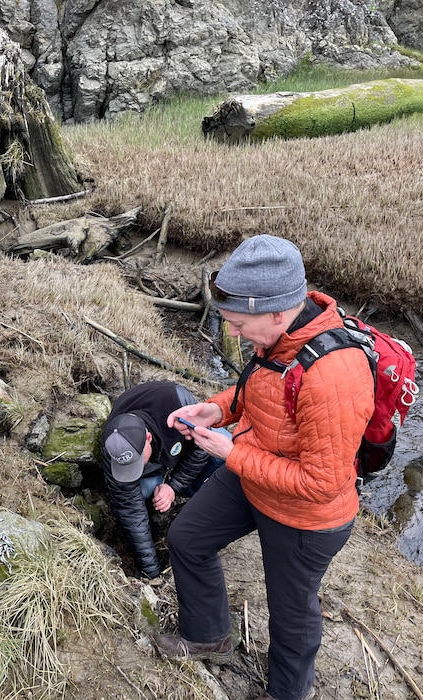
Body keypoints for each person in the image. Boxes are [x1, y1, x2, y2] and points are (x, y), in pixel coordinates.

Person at [160, 235, 375, 700]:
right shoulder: (279, 338)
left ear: (278, 311)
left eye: (238, 323)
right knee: (188, 538)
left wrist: (229, 454)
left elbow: (321, 484)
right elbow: (263, 396)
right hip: (257, 476)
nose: (233, 334)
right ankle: (208, 636)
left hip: (307, 517)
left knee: (290, 612)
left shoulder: (334, 372)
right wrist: (215, 411)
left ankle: (287, 694)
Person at [101, 380, 223, 580]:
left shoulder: (177, 407)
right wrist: (152, 572)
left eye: (137, 462)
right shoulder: (113, 444)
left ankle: (192, 503)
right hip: (157, 466)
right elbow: (130, 511)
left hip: (181, 446)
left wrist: (173, 486)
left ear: (148, 438)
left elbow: (202, 448)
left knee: (221, 457)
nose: (133, 470)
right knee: (141, 493)